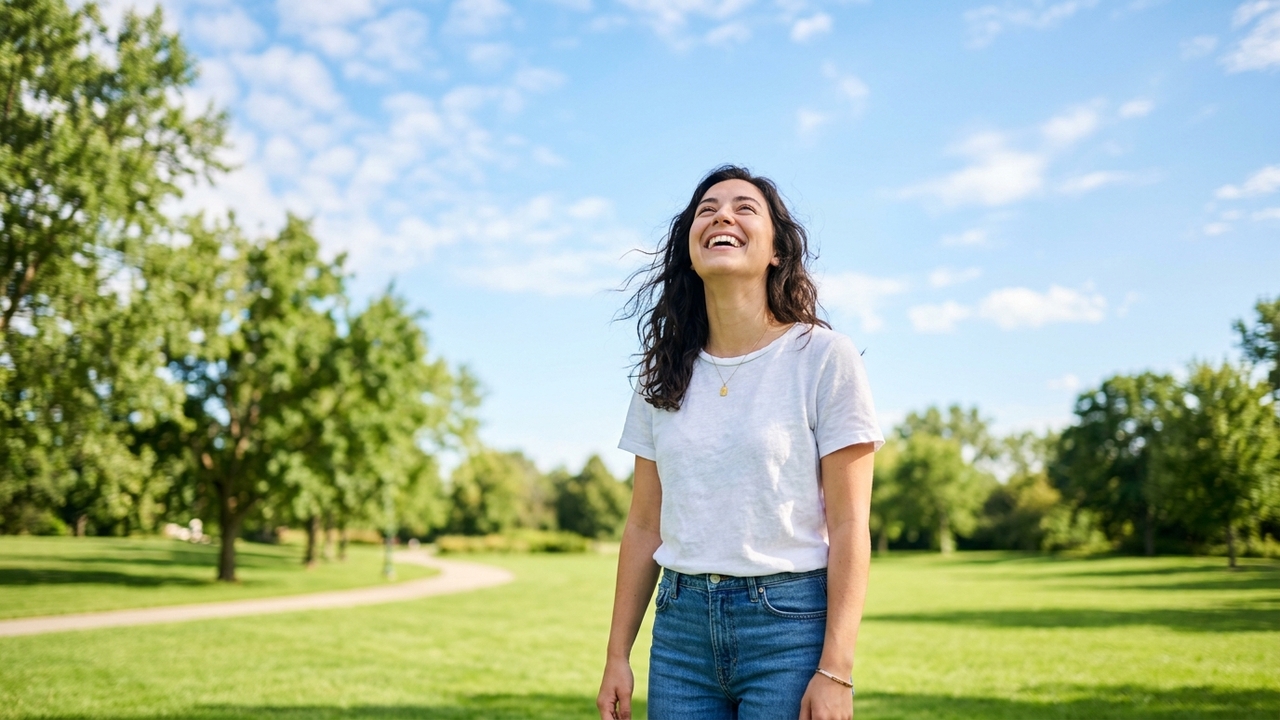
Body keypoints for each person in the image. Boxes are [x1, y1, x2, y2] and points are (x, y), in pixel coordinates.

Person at [597, 165, 883, 720]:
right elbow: (643, 525)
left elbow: (850, 525)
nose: (722, 215)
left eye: (744, 208)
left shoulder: (823, 358)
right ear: (690, 247)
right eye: (707, 209)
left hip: (788, 628)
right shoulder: (661, 376)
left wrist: (836, 670)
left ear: (777, 249)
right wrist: (617, 654)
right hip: (679, 634)